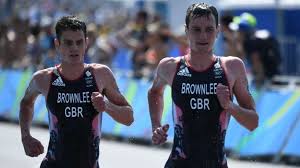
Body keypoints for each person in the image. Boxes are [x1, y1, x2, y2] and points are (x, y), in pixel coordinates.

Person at [148, 3, 259, 168]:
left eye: (209, 29)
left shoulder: (232, 67)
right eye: (196, 30)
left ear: (218, 31)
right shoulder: (170, 66)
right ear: (186, 31)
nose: (203, 36)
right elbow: (154, 93)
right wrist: (156, 126)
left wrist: (229, 106)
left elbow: (253, 122)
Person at [19, 15, 134, 168]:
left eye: (79, 42)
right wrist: (26, 137)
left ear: (86, 43)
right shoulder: (44, 79)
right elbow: (26, 103)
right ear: (57, 44)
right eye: (68, 43)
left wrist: (106, 106)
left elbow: (129, 118)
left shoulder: (100, 75)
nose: (74, 48)